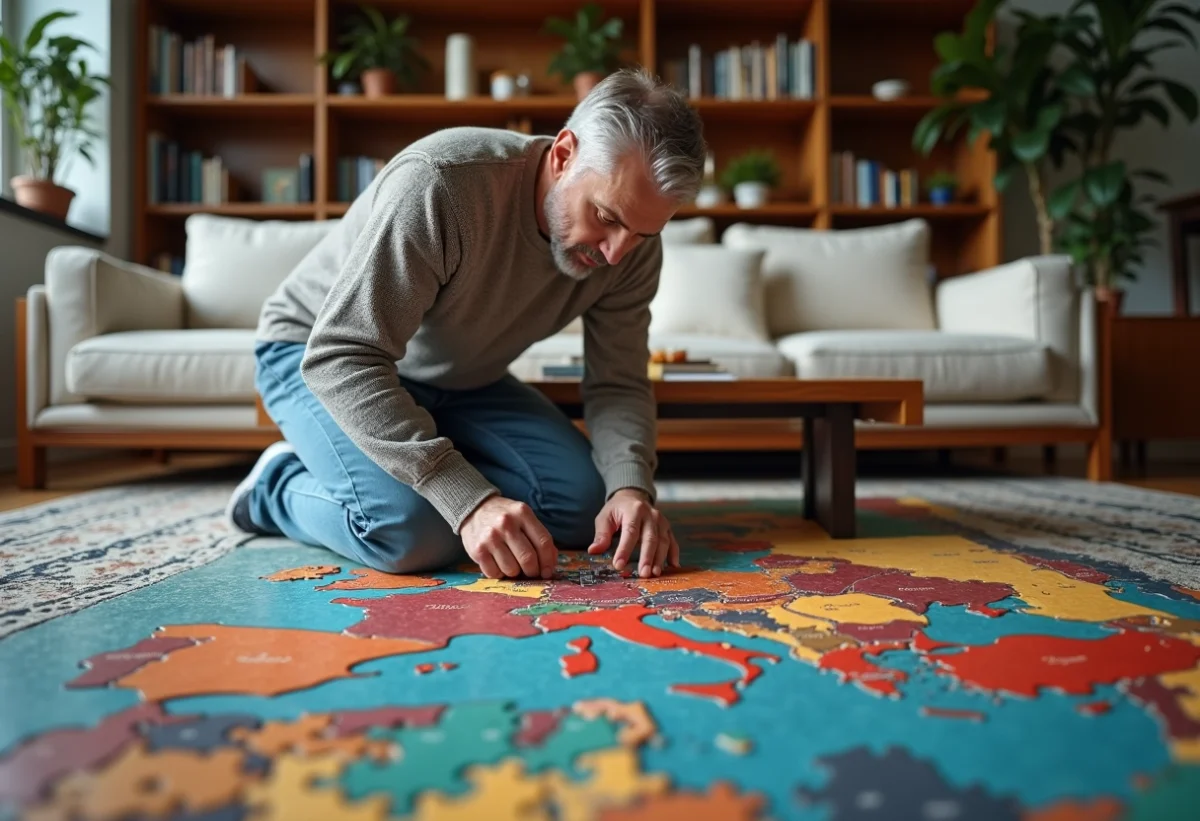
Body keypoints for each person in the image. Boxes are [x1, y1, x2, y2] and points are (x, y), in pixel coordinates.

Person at [225, 68, 708, 582]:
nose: (617, 254)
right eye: (607, 217)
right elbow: (341, 355)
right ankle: (275, 485)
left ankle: (399, 459)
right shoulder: (441, 183)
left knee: (582, 506)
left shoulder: (632, 249)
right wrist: (468, 501)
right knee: (409, 534)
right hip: (316, 355)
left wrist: (630, 489)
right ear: (565, 155)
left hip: (460, 377)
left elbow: (618, 381)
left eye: (643, 233)